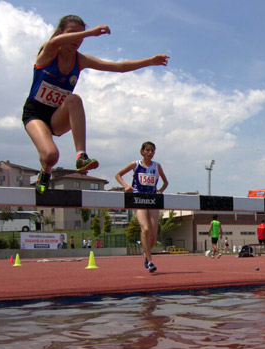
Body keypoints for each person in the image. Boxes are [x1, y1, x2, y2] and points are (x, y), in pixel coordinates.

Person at [23, 15, 169, 194]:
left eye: (80, 36)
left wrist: (149, 61)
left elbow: (118, 67)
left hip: (57, 116)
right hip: (35, 113)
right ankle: (45, 172)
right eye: (73, 34)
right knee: (51, 156)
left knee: (74, 99)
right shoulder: (49, 52)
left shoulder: (81, 60)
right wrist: (89, 32)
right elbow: (54, 42)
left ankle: (81, 156)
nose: (77, 39)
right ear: (61, 33)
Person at [116, 141, 168, 273]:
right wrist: (126, 186)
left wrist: (160, 190)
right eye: (148, 150)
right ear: (142, 152)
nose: (150, 153)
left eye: (152, 151)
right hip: (138, 199)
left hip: (152, 201)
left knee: (153, 236)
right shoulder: (136, 164)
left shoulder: (157, 166)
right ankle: (150, 261)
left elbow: (166, 182)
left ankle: (146, 255)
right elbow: (118, 175)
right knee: (145, 229)